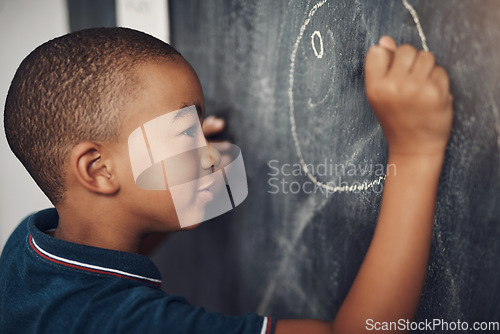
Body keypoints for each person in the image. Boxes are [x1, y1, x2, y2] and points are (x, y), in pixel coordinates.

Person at [0, 27, 452, 333]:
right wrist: (415, 152)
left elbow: (113, 228)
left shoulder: (29, 250)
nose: (210, 152)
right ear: (99, 169)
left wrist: (176, 159)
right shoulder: (130, 323)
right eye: (184, 131)